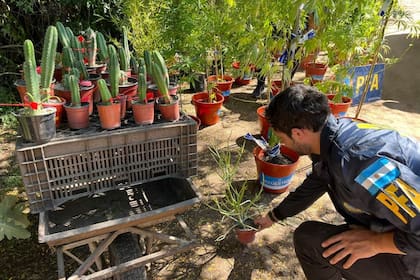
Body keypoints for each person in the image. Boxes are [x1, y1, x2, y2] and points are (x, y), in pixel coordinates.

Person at [254, 84, 420, 280]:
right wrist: (273, 217)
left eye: (283, 138)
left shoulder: (360, 163)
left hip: (413, 259)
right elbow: (317, 181)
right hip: (403, 231)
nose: (283, 145)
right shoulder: (335, 136)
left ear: (298, 133)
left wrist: (377, 242)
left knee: (309, 241)